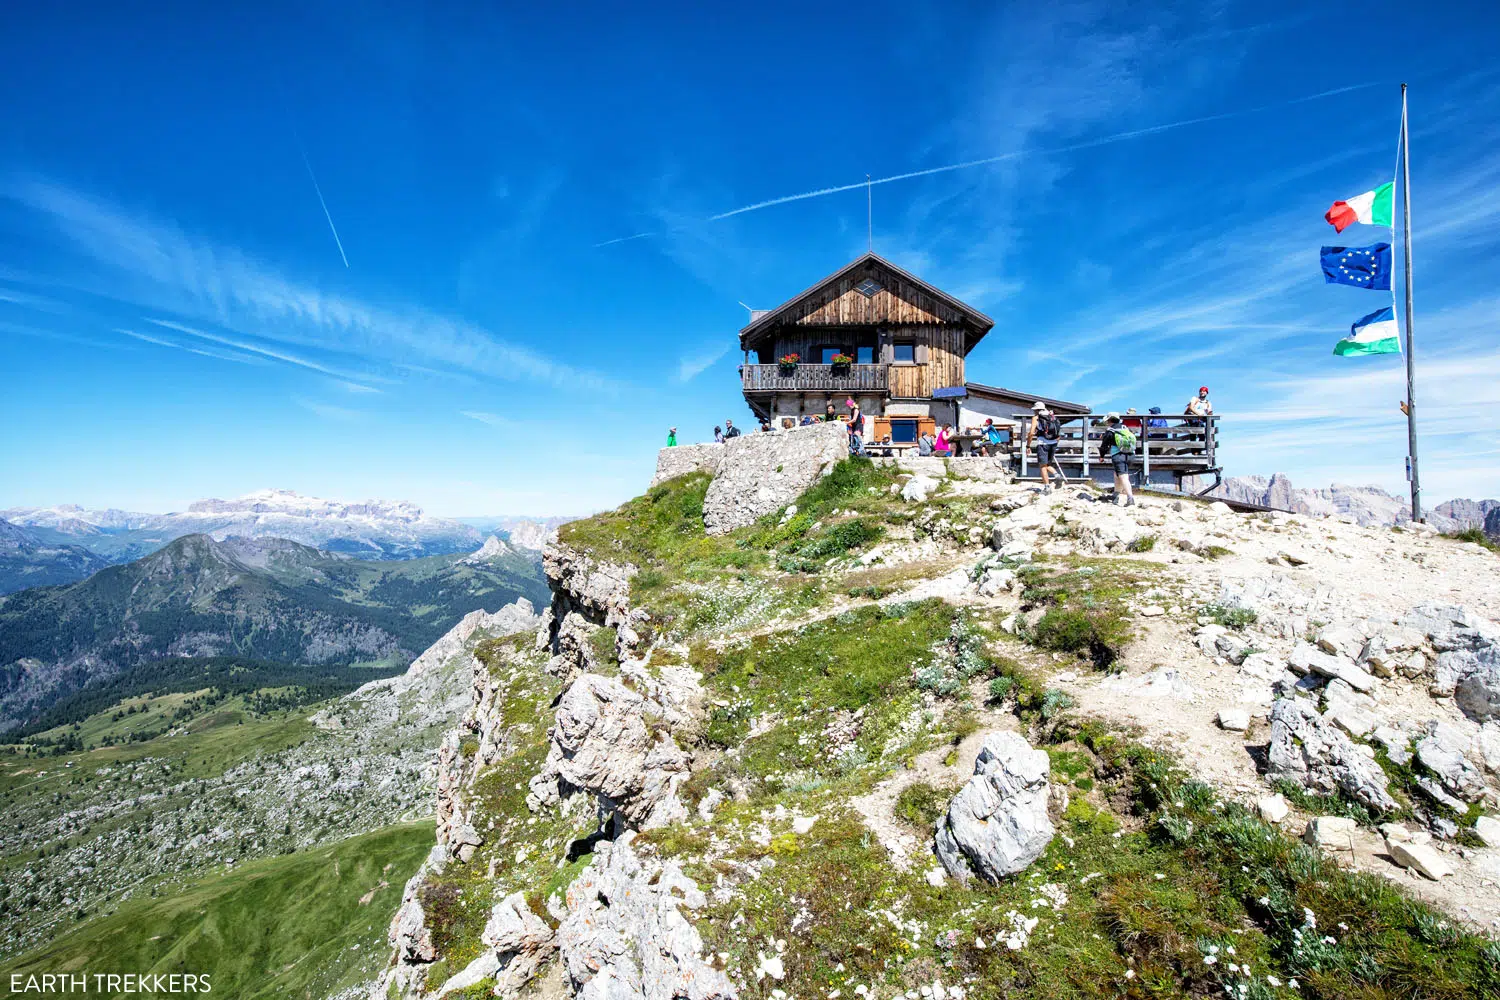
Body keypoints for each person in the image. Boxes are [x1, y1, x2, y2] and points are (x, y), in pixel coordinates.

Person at [1027, 401, 1067, 493]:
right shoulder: (1052, 416)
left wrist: (1028, 445)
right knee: (1047, 464)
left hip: (1043, 443)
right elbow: (1058, 431)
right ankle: (1057, 476)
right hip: (1053, 443)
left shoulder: (1036, 418)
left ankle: (1047, 488)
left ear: (1036, 410)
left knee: (1042, 466)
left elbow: (1031, 433)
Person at [1097, 412, 1136, 507]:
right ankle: (1115, 495)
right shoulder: (1125, 428)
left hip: (1118, 455)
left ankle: (1130, 498)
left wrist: (1102, 456)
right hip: (1131, 454)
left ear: (1109, 420)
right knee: (1117, 474)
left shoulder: (1110, 430)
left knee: (1123, 476)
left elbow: (1104, 446)